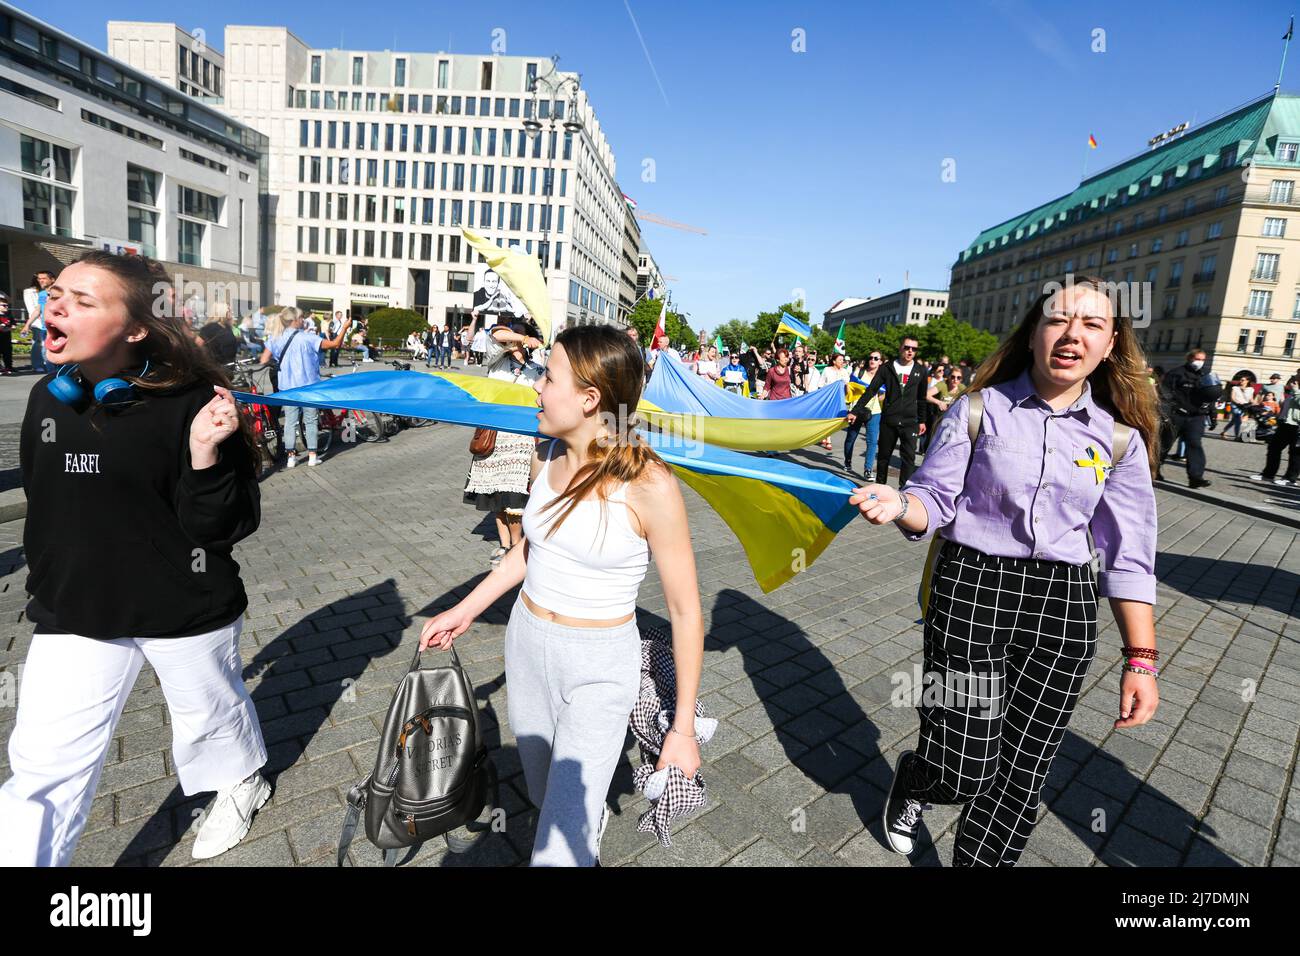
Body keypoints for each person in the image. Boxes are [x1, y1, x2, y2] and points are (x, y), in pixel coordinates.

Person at [851, 274, 1159, 867]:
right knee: (964, 761)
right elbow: (932, 501)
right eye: (1058, 320)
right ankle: (918, 778)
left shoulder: (1121, 442)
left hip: (1064, 606)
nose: (1072, 335)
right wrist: (900, 505)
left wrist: (1140, 660)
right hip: (971, 589)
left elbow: (1130, 556)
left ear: (1112, 342)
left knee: (1021, 774)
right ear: (1034, 332)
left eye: (1092, 324)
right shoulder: (976, 410)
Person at [0, 251, 270, 865]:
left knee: (209, 717)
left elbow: (224, 527)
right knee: (41, 768)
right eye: (58, 293)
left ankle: (240, 782)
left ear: (137, 328)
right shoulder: (49, 395)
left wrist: (204, 452)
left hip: (182, 603)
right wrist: (49, 577)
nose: (56, 305)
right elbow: (43, 500)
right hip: (76, 607)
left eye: (84, 300)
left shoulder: (193, 401)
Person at [420, 324, 704, 867]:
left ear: (590, 397)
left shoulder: (650, 485)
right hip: (527, 646)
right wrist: (463, 610)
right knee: (547, 792)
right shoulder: (543, 452)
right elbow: (531, 551)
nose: (536, 388)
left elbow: (686, 611)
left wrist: (682, 728)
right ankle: (583, 822)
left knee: (556, 848)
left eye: (548, 378)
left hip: (600, 666)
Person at [463, 321, 545, 565]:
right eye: (513, 337)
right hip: (494, 436)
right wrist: (521, 338)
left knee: (516, 496)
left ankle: (518, 547)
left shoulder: (537, 370)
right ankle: (504, 544)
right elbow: (496, 333)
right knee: (495, 494)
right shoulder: (496, 359)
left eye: (519, 337)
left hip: (522, 439)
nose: (512, 341)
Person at [259, 306, 348, 468]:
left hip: (288, 387)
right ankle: (313, 456)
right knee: (311, 420)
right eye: (301, 318)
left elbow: (263, 360)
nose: (303, 321)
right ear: (295, 320)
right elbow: (335, 344)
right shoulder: (308, 338)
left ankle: (291, 458)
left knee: (290, 422)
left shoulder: (275, 338)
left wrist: (280, 364)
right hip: (309, 387)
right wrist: (345, 327)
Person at [847, 335, 931, 487]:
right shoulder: (887, 368)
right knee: (884, 456)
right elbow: (871, 390)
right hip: (889, 419)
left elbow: (922, 397)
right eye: (907, 347)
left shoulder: (921, 370)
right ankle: (879, 487)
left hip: (910, 421)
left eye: (914, 349)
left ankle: (904, 490)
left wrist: (922, 420)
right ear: (900, 348)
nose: (910, 351)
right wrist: (855, 411)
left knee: (909, 458)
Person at [1158, 349, 1219, 488]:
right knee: (1164, 443)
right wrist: (1170, 409)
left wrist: (1212, 414)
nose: (1200, 362)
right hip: (1177, 414)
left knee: (1195, 444)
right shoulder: (1176, 373)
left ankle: (1196, 477)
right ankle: (1152, 470)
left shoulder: (1206, 374)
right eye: (1197, 359)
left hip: (1197, 416)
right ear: (1190, 358)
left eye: (1202, 359)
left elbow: (1211, 396)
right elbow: (1164, 393)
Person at [1250, 377, 1300, 485]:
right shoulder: (1293, 391)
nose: (1295, 378)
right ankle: (1268, 475)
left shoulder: (1296, 391)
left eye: (1298, 375)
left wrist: (1296, 391)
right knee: (1274, 447)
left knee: (1295, 453)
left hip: (1297, 425)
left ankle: (1290, 478)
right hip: (1285, 423)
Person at [845, 351, 884, 478]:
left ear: (880, 361)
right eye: (871, 357)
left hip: (875, 411)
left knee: (872, 441)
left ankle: (868, 470)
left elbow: (882, 397)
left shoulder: (883, 377)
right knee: (851, 437)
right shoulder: (859, 372)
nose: (872, 360)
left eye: (876, 358)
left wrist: (882, 394)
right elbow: (849, 389)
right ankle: (848, 461)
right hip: (857, 410)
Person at [22, 271, 54, 374]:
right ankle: (52, 376)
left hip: (56, 328)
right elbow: (37, 310)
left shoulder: (59, 292)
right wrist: (27, 325)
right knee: (46, 353)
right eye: (39, 279)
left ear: (52, 279)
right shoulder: (42, 294)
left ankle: (56, 375)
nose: (40, 280)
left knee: (51, 353)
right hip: (45, 329)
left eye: (43, 278)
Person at [1229, 376, 1254, 440]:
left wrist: (1254, 404)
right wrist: (1238, 402)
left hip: (1244, 406)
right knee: (1238, 421)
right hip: (1235, 405)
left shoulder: (1251, 389)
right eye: (1240, 380)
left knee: (1233, 421)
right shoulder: (1235, 388)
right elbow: (1232, 397)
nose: (1241, 381)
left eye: (1242, 380)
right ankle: (1237, 436)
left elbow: (1251, 399)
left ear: (1247, 381)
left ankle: (1224, 431)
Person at [0, 291, 14, 375]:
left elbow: (13, 324)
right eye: (4, 305)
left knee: (7, 353)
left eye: (7, 305)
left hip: (6, 338)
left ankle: (8, 367)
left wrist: (10, 327)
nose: (6, 307)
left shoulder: (8, 315)